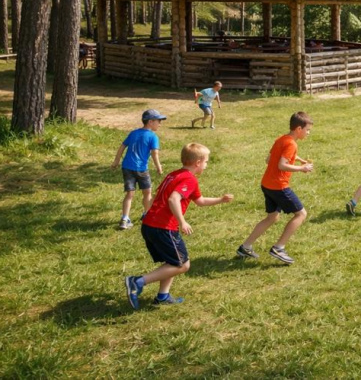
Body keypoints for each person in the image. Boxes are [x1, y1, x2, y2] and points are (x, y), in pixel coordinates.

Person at [124, 143, 233, 309]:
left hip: (150, 225)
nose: (207, 165)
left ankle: (163, 296)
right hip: (163, 227)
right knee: (182, 264)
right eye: (206, 161)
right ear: (197, 162)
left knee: (172, 262)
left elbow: (200, 201)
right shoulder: (189, 179)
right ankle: (137, 282)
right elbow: (173, 199)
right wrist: (182, 221)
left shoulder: (174, 175)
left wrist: (220, 199)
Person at [236, 112, 315, 265]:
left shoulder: (282, 139)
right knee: (301, 214)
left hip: (267, 184)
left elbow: (269, 159)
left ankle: (245, 247)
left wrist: (296, 159)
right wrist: (302, 168)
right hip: (279, 186)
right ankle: (279, 247)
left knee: (272, 217)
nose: (308, 133)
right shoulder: (292, 144)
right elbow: (281, 165)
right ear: (299, 129)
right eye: (308, 130)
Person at [111, 109, 166, 230]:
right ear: (150, 122)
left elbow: (122, 147)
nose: (160, 124)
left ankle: (124, 218)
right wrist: (159, 167)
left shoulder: (133, 133)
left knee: (129, 194)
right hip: (141, 169)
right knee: (147, 193)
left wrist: (116, 161)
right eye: (158, 121)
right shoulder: (153, 136)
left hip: (127, 167)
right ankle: (147, 215)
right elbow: (154, 153)